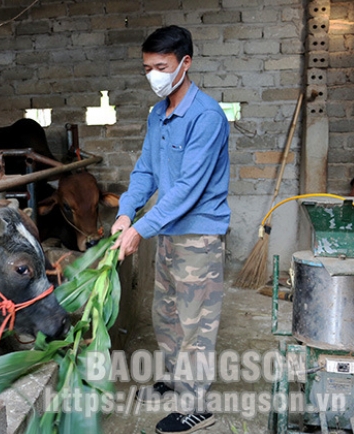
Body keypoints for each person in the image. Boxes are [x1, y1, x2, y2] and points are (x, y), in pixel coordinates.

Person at [110, 25, 230, 434]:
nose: (153, 76)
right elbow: (145, 171)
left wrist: (140, 229)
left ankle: (198, 405)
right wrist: (127, 212)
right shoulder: (157, 115)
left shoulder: (206, 116)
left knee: (197, 322)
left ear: (185, 63)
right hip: (168, 234)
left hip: (198, 235)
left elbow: (187, 189)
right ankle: (179, 381)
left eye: (161, 67)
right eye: (147, 68)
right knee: (167, 316)